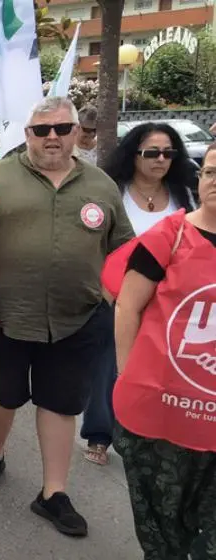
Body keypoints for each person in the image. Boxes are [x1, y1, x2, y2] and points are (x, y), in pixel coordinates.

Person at [0, 96, 133, 538]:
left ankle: (53, 492)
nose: (52, 137)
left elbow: (123, 246)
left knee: (60, 404)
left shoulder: (101, 185)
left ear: (76, 133)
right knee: (2, 396)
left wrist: (108, 296)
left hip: (77, 319)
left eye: (62, 128)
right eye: (42, 130)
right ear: (27, 134)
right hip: (5, 318)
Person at [111, 144, 216, 560]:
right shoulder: (167, 237)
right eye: (210, 173)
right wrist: (128, 378)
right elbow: (128, 306)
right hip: (162, 414)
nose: (215, 183)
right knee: (163, 531)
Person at [81, 123, 197, 467]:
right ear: (134, 155)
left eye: (168, 153)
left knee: (156, 369)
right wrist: (103, 291)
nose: (160, 160)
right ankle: (99, 435)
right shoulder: (112, 191)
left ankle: (146, 433)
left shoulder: (185, 195)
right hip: (115, 296)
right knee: (108, 366)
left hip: (167, 301)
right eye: (152, 153)